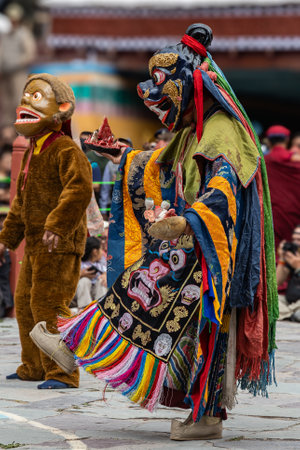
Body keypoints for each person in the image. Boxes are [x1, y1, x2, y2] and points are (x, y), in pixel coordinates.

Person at [31, 24, 278, 439]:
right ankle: (79, 346)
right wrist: (122, 155)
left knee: (190, 323)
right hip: (188, 250)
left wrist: (186, 220)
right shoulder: (190, 132)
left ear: (187, 88)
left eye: (164, 89)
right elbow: (155, 162)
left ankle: (206, 414)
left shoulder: (223, 132)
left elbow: (223, 188)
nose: (155, 99)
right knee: (152, 304)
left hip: (211, 252)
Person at [0, 73, 93, 389]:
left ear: (62, 108)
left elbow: (79, 189)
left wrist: (57, 224)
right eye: (25, 96)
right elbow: (20, 202)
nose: (25, 101)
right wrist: (6, 240)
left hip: (60, 244)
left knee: (49, 305)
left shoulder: (66, 149)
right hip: (37, 246)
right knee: (24, 302)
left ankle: (63, 372)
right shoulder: (32, 151)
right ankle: (34, 366)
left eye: (35, 96)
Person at [0, 3, 36, 128]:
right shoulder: (6, 35)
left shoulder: (24, 34)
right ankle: (7, 129)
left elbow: (29, 54)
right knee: (6, 102)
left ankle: (20, 127)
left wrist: (14, 64)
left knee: (18, 100)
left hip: (18, 73)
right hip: (5, 73)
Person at [265, 126, 300, 250]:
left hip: (269, 220)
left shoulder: (263, 162)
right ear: (287, 140)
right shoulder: (295, 162)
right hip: (293, 221)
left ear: (268, 141)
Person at [75, 237, 107, 311]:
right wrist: (80, 275)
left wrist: (105, 275)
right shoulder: (79, 263)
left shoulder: (102, 261)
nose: (102, 252)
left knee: (101, 281)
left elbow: (110, 270)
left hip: (97, 292)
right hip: (83, 294)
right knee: (84, 280)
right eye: (101, 249)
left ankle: (101, 308)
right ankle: (84, 309)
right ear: (95, 251)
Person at [276, 225, 300, 322]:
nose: (295, 243)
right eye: (294, 239)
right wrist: (282, 259)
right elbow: (277, 282)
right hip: (290, 301)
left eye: (299, 240)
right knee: (270, 301)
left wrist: (298, 267)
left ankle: (287, 314)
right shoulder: (294, 255)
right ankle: (291, 314)